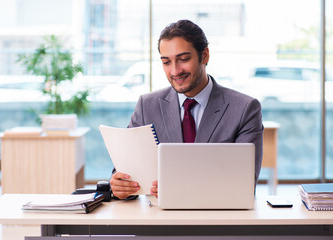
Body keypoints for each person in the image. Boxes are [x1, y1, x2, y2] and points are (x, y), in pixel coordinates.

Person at [110, 19, 264, 200]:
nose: (175, 71)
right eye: (166, 62)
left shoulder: (244, 109)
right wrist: (121, 187)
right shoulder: (147, 106)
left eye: (183, 59)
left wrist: (182, 189)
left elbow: (244, 184)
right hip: (159, 223)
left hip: (218, 222)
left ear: (204, 55)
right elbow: (126, 173)